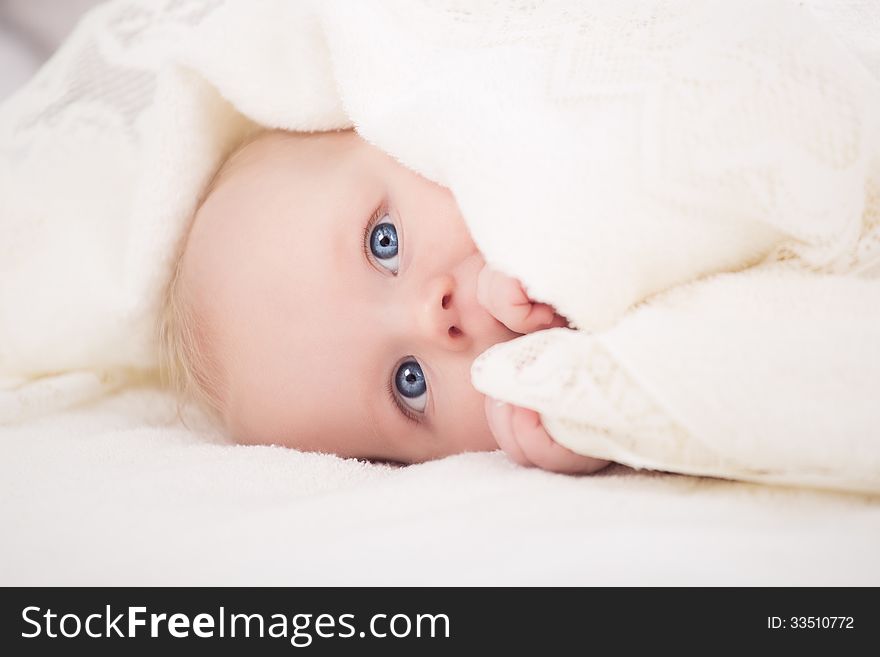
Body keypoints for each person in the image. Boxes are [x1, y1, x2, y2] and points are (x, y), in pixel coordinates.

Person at [161, 128, 610, 474]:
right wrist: (600, 427)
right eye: (409, 382)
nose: (428, 317)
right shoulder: (557, 411)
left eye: (384, 243)